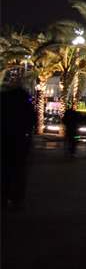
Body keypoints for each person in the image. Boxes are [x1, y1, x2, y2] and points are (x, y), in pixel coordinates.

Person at [1, 80, 35, 209]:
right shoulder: (23, 98)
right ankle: (16, 200)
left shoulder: (3, 99)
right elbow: (30, 118)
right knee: (18, 172)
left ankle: (3, 197)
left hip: (5, 141)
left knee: (5, 171)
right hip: (18, 142)